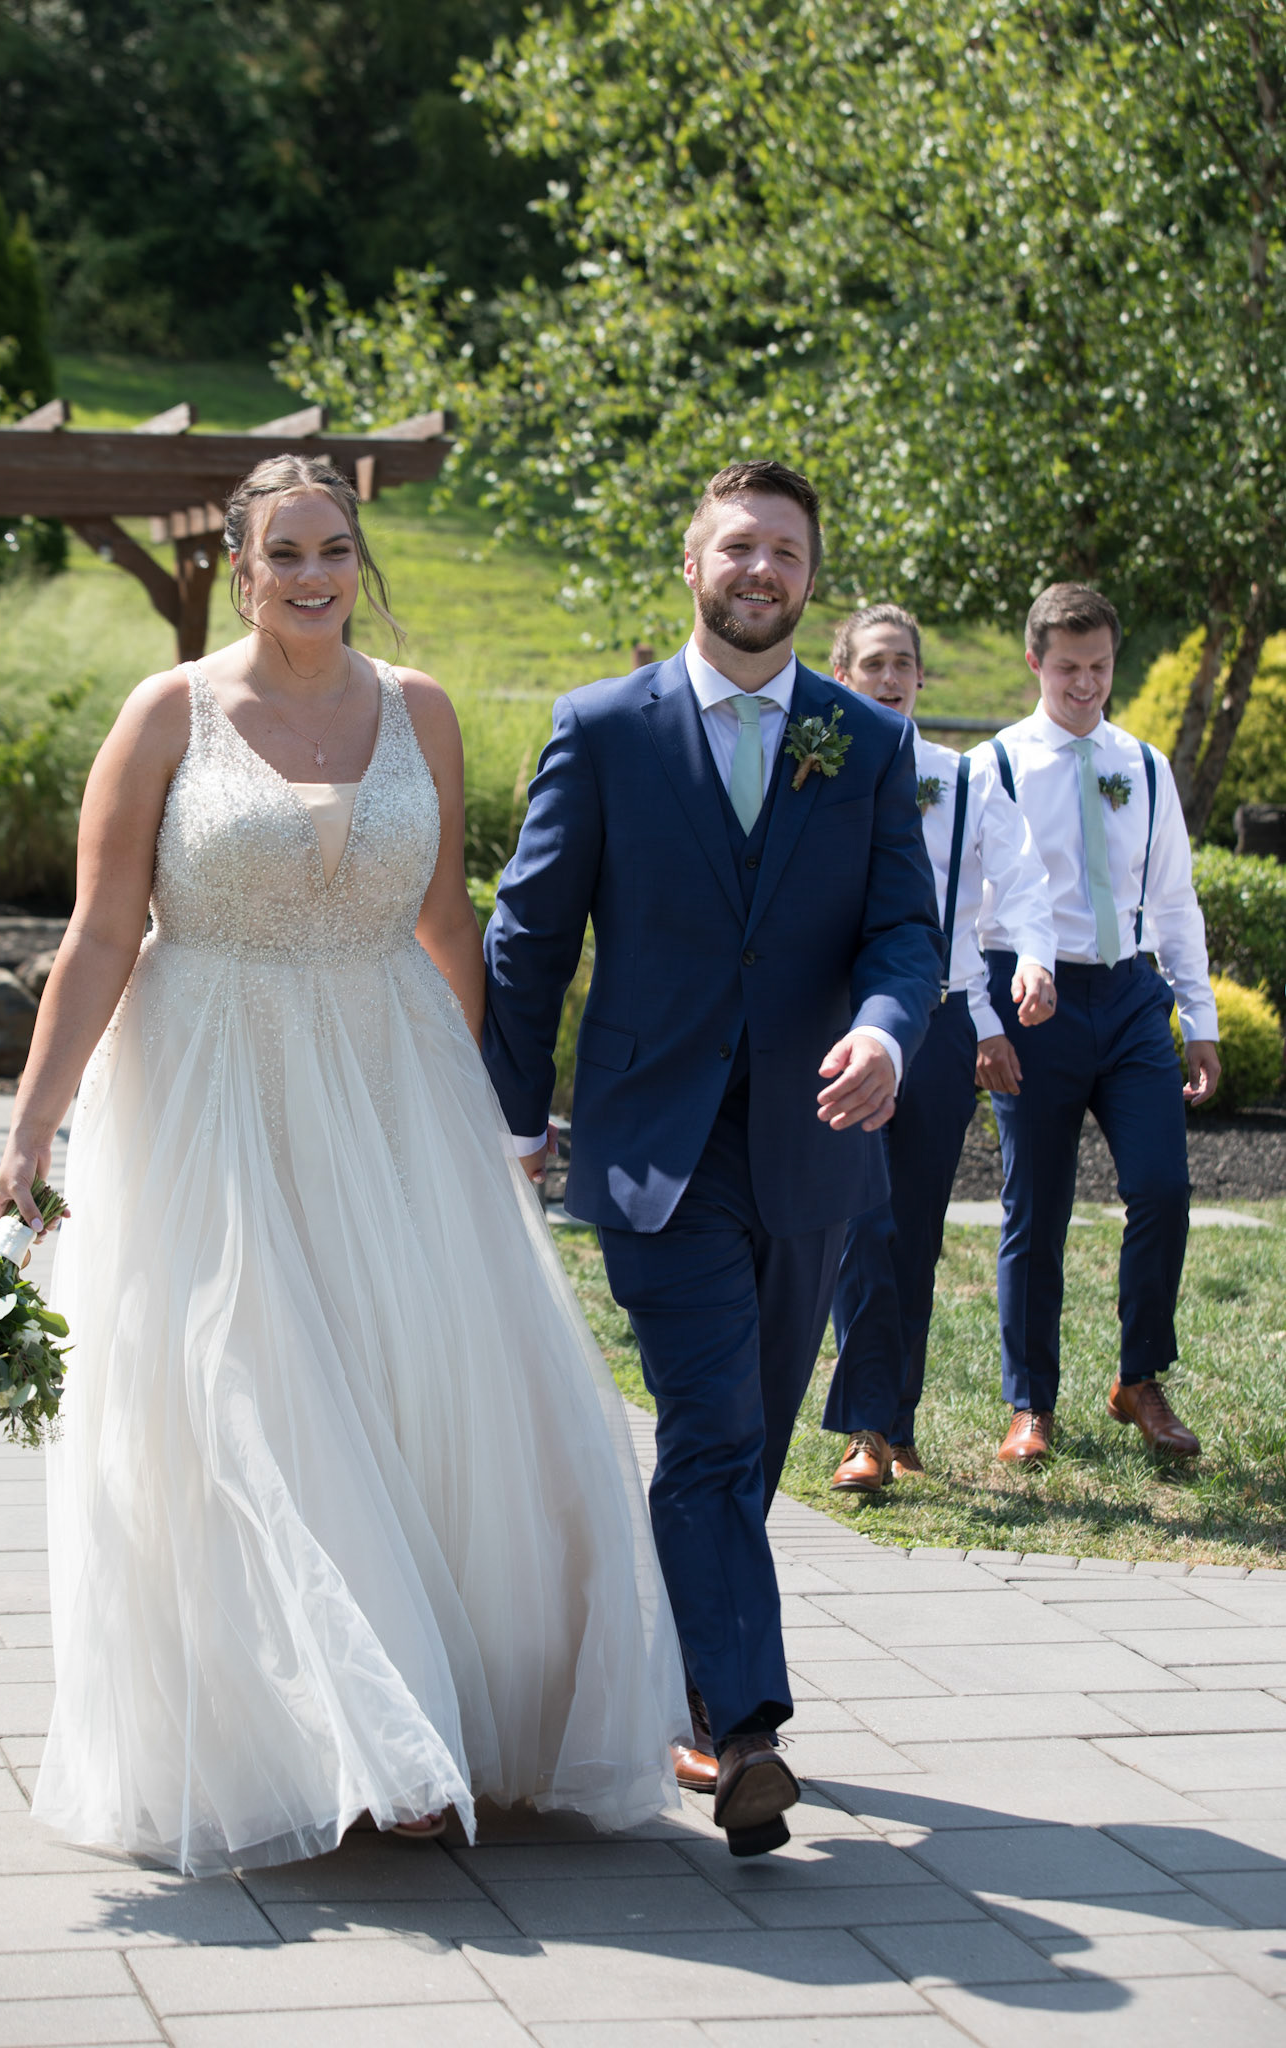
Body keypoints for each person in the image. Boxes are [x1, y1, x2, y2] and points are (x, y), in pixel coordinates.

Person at [0, 453, 688, 1877]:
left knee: (405, 1386)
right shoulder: (168, 713)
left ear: (359, 560)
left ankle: (425, 1719)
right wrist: (31, 1122)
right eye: (284, 552)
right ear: (241, 568)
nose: (311, 575)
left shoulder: (419, 709)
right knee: (246, 1394)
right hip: (209, 1088)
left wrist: (489, 1111)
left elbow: (448, 923)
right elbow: (103, 933)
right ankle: (362, 1739)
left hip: (390, 1084)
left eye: (333, 549)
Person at [482, 461, 943, 1856]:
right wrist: (513, 1121)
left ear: (810, 576)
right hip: (654, 1147)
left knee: (749, 1439)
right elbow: (529, 935)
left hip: (814, 1140)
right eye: (739, 545)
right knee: (713, 1426)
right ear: (693, 563)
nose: (761, 570)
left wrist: (885, 1031)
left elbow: (903, 930)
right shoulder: (601, 728)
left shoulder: (866, 741)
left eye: (786, 551)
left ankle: (686, 1688)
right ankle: (747, 1732)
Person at [979, 583, 1220, 1467]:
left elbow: (1173, 898)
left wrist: (1199, 1017)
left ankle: (1138, 1379)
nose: (1084, 685)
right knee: (1034, 1208)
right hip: (1030, 1000)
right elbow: (968, 907)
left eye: (1100, 667)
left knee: (1162, 1188)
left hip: (1127, 998)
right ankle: (1029, 1404)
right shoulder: (994, 766)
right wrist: (982, 1017)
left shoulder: (1144, 766)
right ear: (1034, 663)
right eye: (1067, 668)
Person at [824, 605, 1057, 1487]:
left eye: (903, 664)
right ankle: (864, 1432)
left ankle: (897, 1420)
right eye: (873, 663)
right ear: (842, 677)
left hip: (942, 1019)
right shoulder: (813, 769)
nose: (889, 678)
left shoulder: (961, 778)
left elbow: (1021, 881)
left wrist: (1030, 959)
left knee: (914, 1230)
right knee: (863, 1221)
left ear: (922, 678)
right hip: (841, 1023)